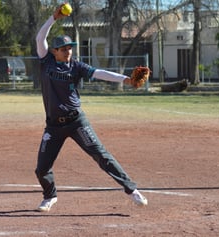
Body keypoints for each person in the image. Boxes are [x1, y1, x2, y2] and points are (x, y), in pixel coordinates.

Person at [34, 4, 148, 212]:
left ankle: (132, 190)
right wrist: (53, 18)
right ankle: (50, 196)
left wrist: (126, 80)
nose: (68, 51)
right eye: (64, 49)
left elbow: (100, 73)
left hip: (76, 122)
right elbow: (40, 38)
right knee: (41, 168)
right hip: (53, 126)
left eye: (70, 48)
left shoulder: (76, 66)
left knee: (102, 156)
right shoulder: (46, 61)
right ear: (54, 51)